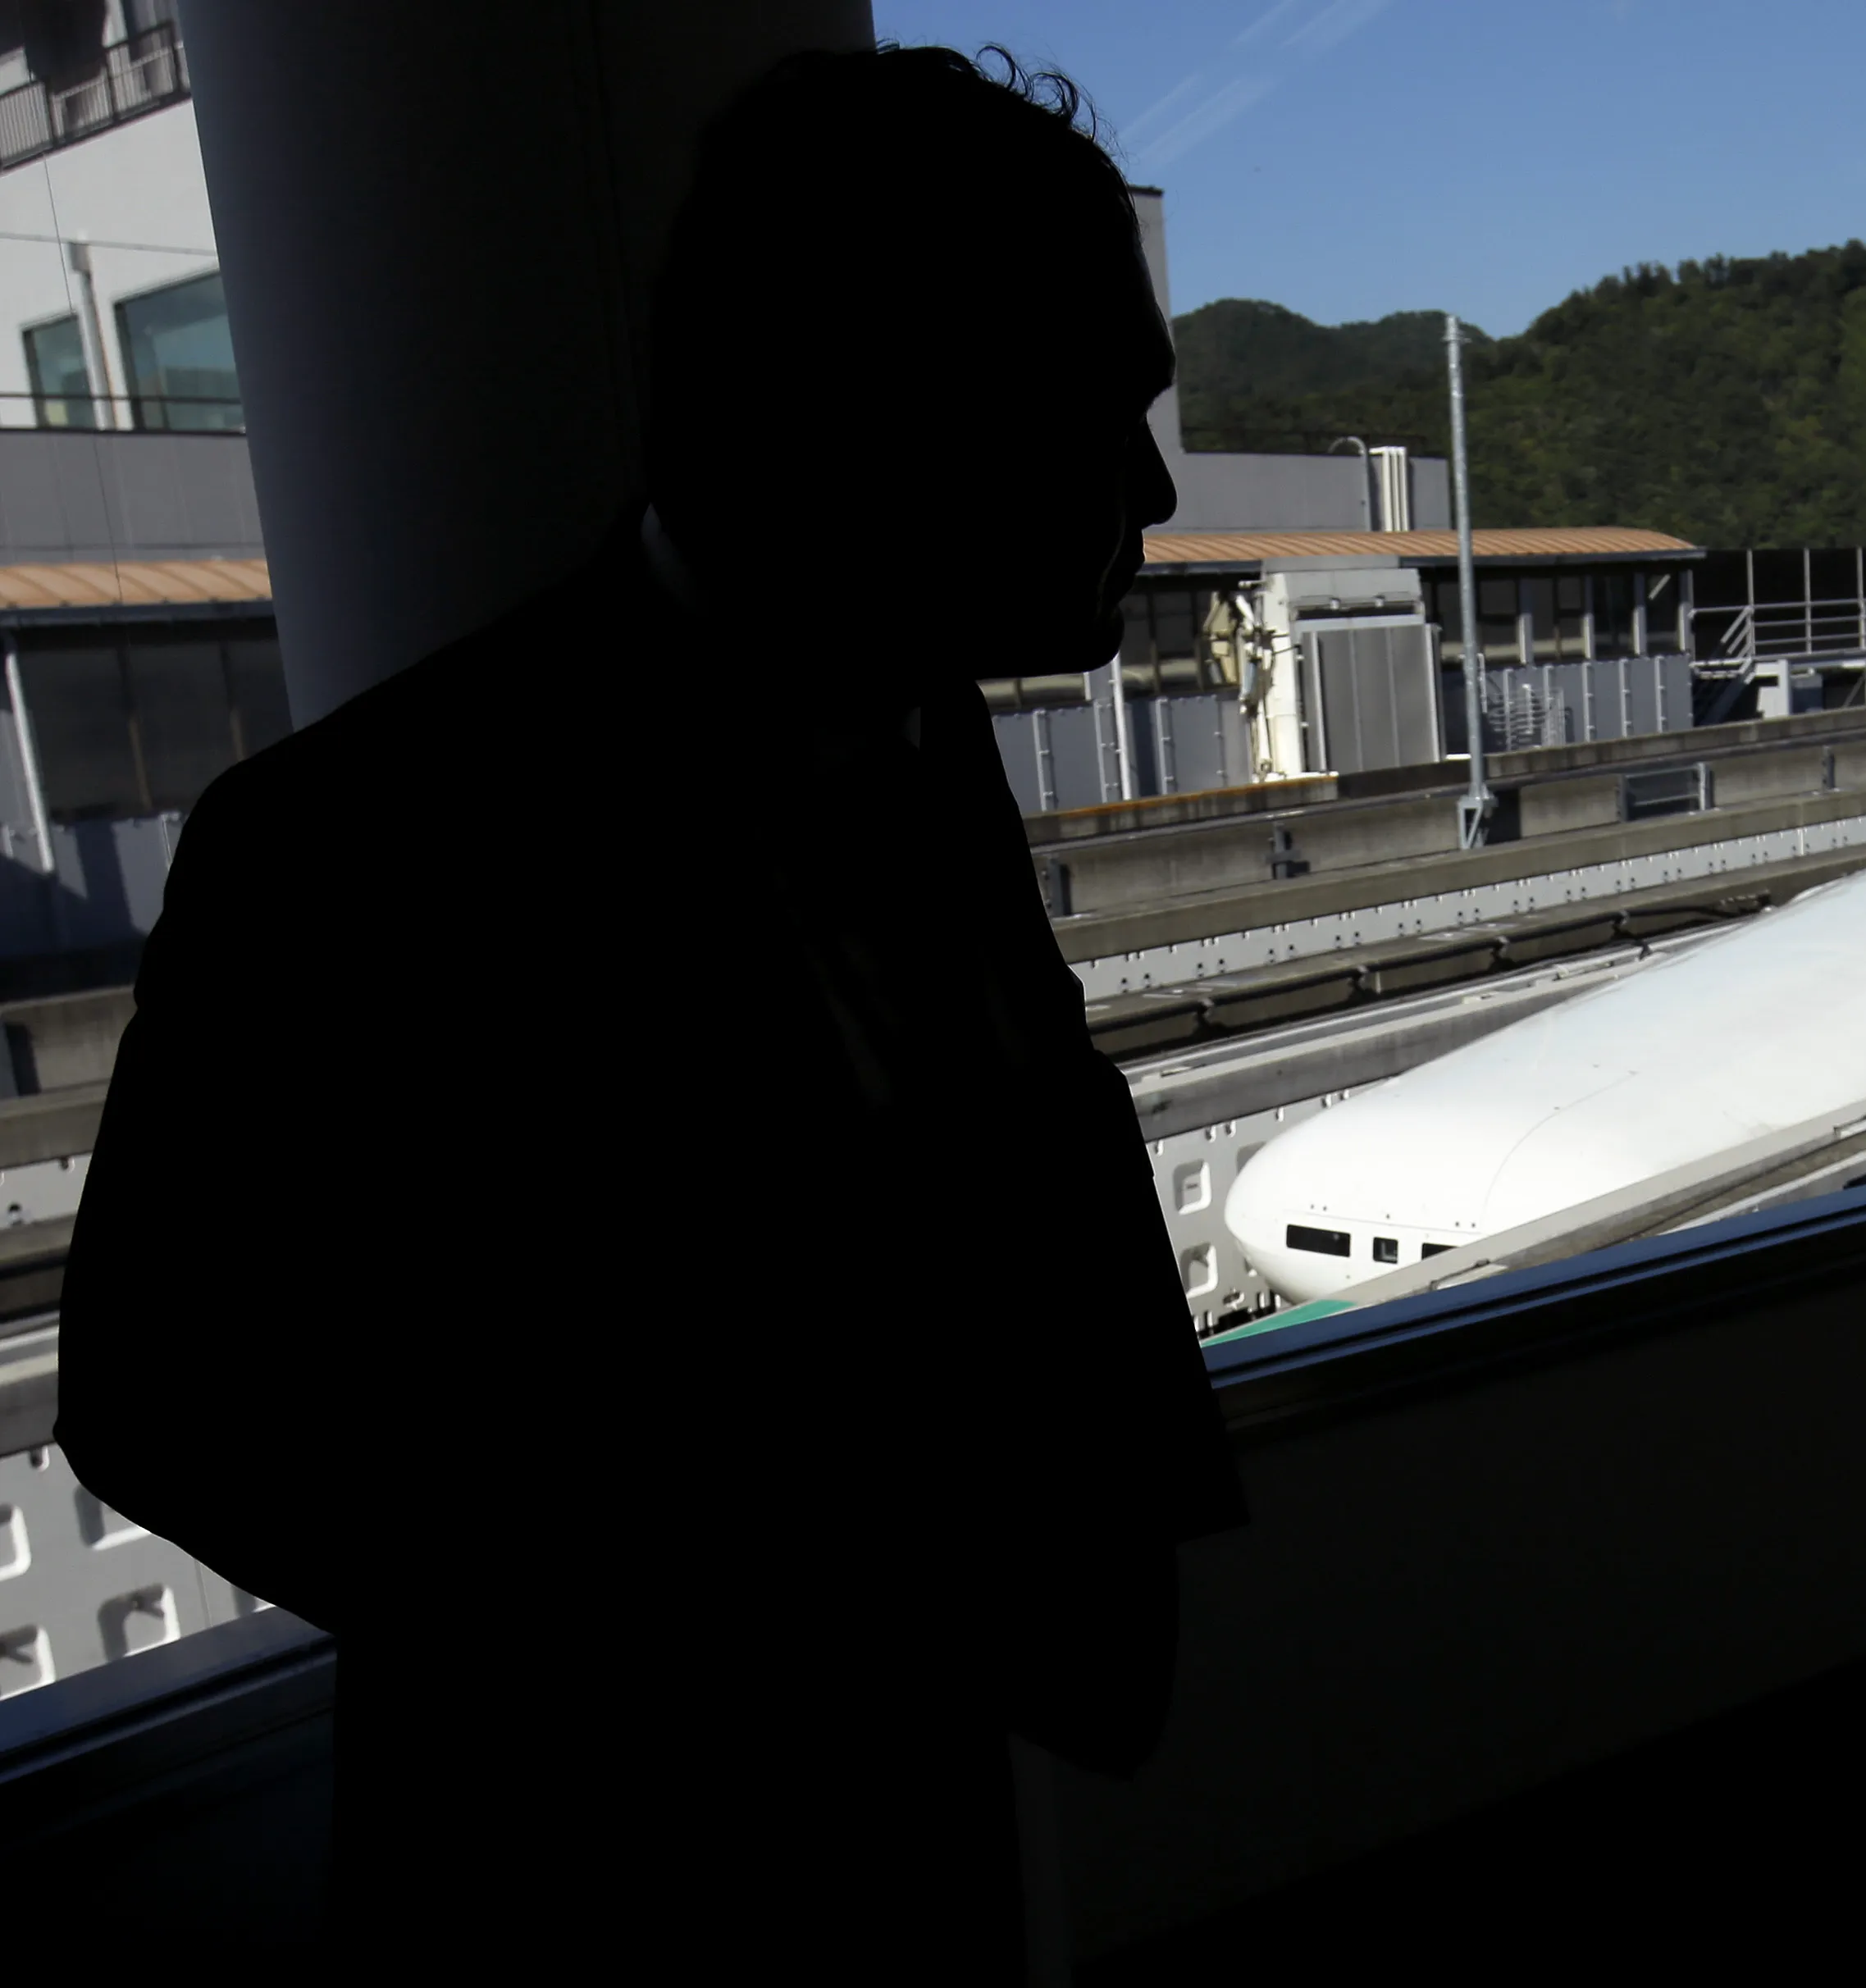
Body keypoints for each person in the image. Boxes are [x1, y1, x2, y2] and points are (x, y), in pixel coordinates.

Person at [51, 45, 1243, 1964]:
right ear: (889, 417)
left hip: (904, 1852)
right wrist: (739, 1617)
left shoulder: (923, 746)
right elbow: (161, 1399)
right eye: (1101, 411)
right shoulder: (352, 843)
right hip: (581, 1892)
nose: (1160, 488)